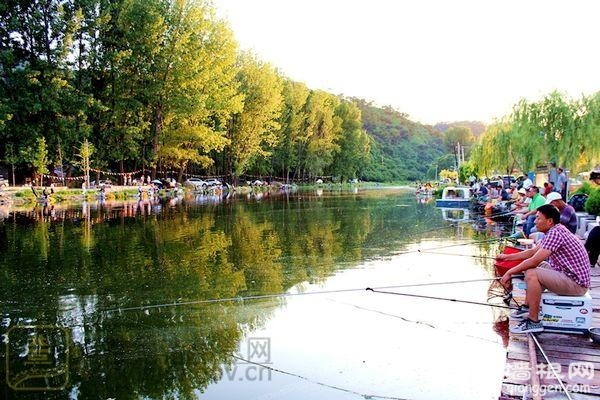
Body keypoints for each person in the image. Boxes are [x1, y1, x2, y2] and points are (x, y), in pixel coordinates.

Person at [499, 204, 590, 334]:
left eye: (538, 218)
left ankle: (533, 322)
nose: (535, 221)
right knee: (532, 267)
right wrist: (507, 257)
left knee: (532, 272)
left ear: (549, 221)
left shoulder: (555, 233)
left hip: (576, 284)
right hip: (566, 275)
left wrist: (509, 272)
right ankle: (527, 307)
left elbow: (534, 260)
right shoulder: (554, 230)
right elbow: (532, 253)